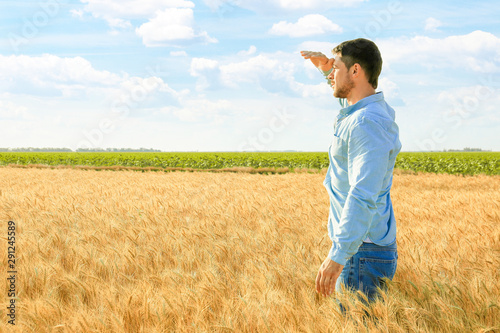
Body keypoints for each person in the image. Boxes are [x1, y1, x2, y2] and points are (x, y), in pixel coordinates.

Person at [300, 38, 402, 309]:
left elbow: (362, 193)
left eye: (337, 68)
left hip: (360, 252)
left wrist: (339, 255)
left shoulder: (366, 122)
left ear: (355, 71)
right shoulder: (366, 113)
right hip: (365, 250)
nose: (332, 74)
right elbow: (350, 107)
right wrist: (326, 71)